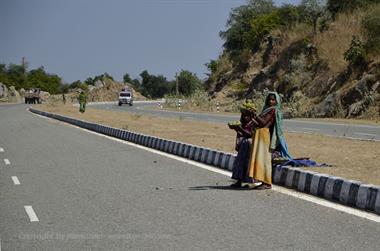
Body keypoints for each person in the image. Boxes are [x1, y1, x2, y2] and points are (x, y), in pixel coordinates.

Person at [247, 91, 291, 190]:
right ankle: (262, 181)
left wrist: (254, 115)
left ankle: (267, 183)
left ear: (276, 101)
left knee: (265, 160)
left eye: (273, 100)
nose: (271, 101)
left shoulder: (273, 111)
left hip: (266, 137)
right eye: (269, 99)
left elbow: (263, 123)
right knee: (260, 159)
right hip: (261, 135)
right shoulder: (266, 110)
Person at [229, 100, 257, 188]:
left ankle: (249, 183)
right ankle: (239, 181)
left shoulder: (254, 123)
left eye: (247, 116)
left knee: (248, 164)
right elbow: (242, 134)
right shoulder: (243, 123)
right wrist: (236, 129)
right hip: (243, 146)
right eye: (244, 115)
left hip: (250, 147)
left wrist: (239, 129)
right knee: (239, 163)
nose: (245, 118)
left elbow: (250, 134)